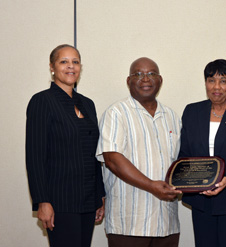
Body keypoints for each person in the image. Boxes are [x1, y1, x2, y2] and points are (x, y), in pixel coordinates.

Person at [96, 57, 182, 247]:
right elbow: (112, 159)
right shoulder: (116, 113)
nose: (145, 79)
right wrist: (152, 185)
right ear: (128, 81)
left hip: (167, 224)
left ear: (160, 80)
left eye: (151, 74)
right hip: (129, 225)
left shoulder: (172, 117)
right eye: (138, 74)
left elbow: (181, 164)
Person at [26, 44, 105, 247]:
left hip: (87, 199)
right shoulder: (42, 101)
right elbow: (35, 157)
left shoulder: (87, 104)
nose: (71, 67)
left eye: (75, 62)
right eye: (64, 62)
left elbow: (95, 154)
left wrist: (99, 197)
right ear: (52, 67)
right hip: (59, 201)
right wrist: (42, 201)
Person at [179, 59, 226, 247]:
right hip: (201, 201)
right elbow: (184, 155)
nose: (216, 87)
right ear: (205, 83)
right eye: (211, 80)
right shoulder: (192, 112)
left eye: (223, 81)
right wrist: (183, 179)